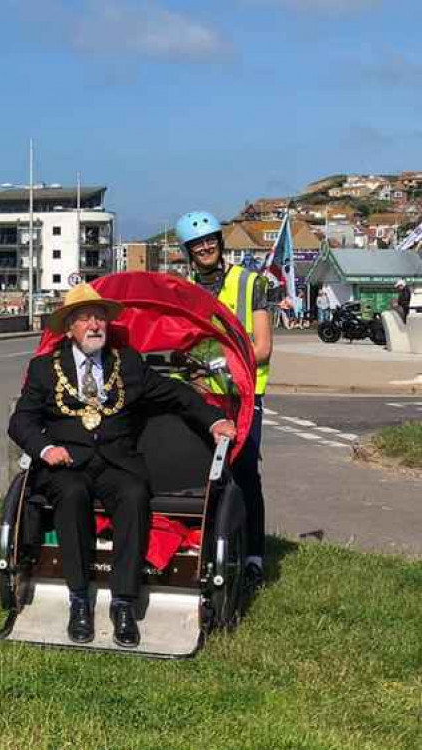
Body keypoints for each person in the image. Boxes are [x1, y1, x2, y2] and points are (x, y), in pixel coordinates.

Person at [8, 284, 235, 647]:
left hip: (117, 462)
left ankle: (123, 603)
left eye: (99, 317)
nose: (94, 324)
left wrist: (213, 420)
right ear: (69, 328)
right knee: (72, 494)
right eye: (84, 318)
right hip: (67, 464)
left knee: (133, 493)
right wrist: (46, 448)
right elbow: (21, 422)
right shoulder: (43, 369)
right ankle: (79, 600)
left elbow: (176, 394)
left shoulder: (127, 363)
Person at [176, 210, 272, 588]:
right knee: (203, 473)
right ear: (188, 250)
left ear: (220, 241)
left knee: (245, 471)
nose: (205, 247)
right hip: (202, 395)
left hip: (244, 393)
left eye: (210, 240)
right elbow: (181, 341)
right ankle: (211, 546)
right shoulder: (184, 287)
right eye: (197, 244)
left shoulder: (250, 283)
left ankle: (253, 556)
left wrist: (220, 363)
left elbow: (262, 347)